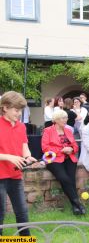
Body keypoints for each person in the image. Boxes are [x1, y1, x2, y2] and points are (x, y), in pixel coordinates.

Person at [0, 91, 37, 236]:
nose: (19, 113)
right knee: (0, 213)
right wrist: (9, 157)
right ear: (5, 108)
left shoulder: (21, 127)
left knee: (22, 213)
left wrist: (28, 157)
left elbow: (24, 148)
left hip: (15, 176)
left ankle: (26, 240)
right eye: (16, 110)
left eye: (21, 110)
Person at [41, 110, 86, 215]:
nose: (66, 120)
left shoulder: (68, 130)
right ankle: (78, 204)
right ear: (56, 120)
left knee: (71, 180)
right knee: (64, 178)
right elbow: (45, 148)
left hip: (69, 158)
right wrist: (61, 150)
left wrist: (71, 149)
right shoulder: (48, 131)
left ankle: (75, 208)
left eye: (66, 118)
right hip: (54, 159)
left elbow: (75, 145)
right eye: (63, 118)